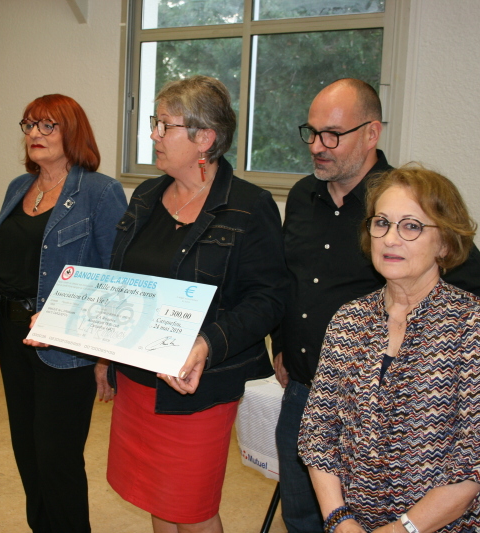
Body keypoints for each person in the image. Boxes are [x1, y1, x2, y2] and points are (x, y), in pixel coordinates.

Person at [271, 78, 480, 533]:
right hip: (306, 393)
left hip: (405, 411)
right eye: (312, 133)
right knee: (301, 518)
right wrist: (283, 343)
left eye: (332, 135)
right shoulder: (302, 198)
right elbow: (287, 280)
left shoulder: (408, 201)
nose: (317, 146)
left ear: (371, 133)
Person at [104, 76, 290, 533]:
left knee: (191, 507)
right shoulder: (147, 195)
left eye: (164, 125)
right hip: (138, 379)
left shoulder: (249, 206)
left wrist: (206, 343)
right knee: (156, 496)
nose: (153, 135)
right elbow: (121, 280)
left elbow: (268, 299)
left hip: (198, 385)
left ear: (204, 138)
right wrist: (96, 341)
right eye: (155, 123)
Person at [298, 165, 480, 532]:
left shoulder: (475, 326)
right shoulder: (349, 319)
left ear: (445, 243)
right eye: (382, 223)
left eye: (411, 226)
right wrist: (339, 520)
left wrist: (400, 530)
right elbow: (318, 432)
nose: (390, 239)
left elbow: (477, 463)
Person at [0, 94, 127, 533]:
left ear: (71, 132)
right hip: (13, 335)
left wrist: (106, 357)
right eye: (29, 125)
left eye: (47, 126)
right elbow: (3, 269)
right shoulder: (17, 187)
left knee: (58, 459)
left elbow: (116, 278)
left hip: (67, 345)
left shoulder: (99, 192)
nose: (34, 134)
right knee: (27, 452)